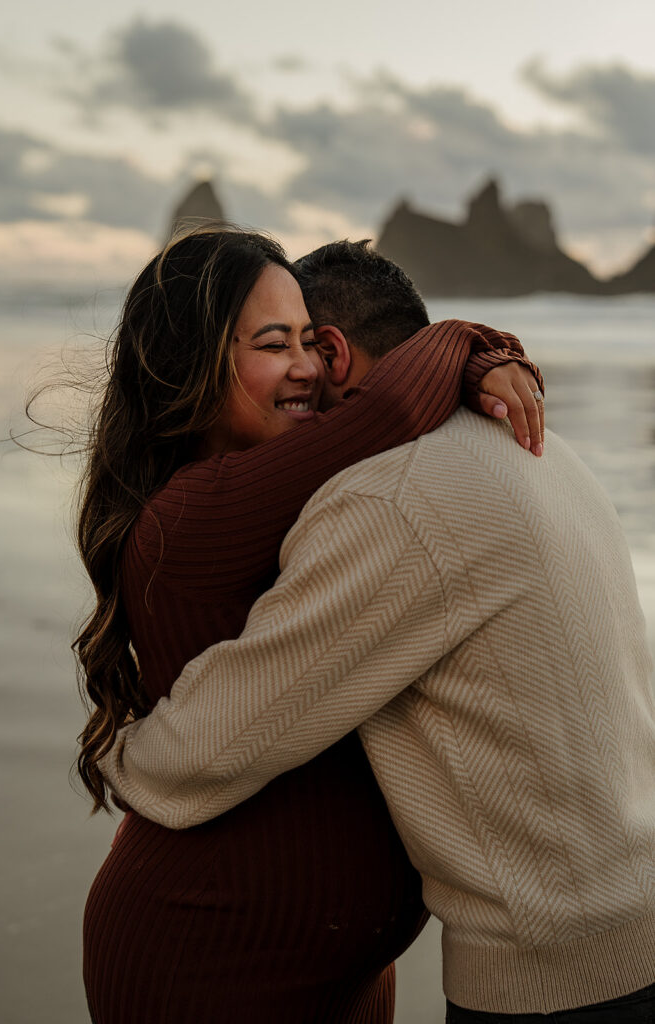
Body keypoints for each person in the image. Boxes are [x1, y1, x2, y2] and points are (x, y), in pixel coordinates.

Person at [101, 240, 655, 1022]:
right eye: (271, 342)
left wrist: (118, 760)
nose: (298, 374)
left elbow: (221, 735)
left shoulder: (392, 498)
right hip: (616, 929)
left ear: (332, 351)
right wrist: (479, 353)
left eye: (302, 344)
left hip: (557, 974)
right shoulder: (539, 448)